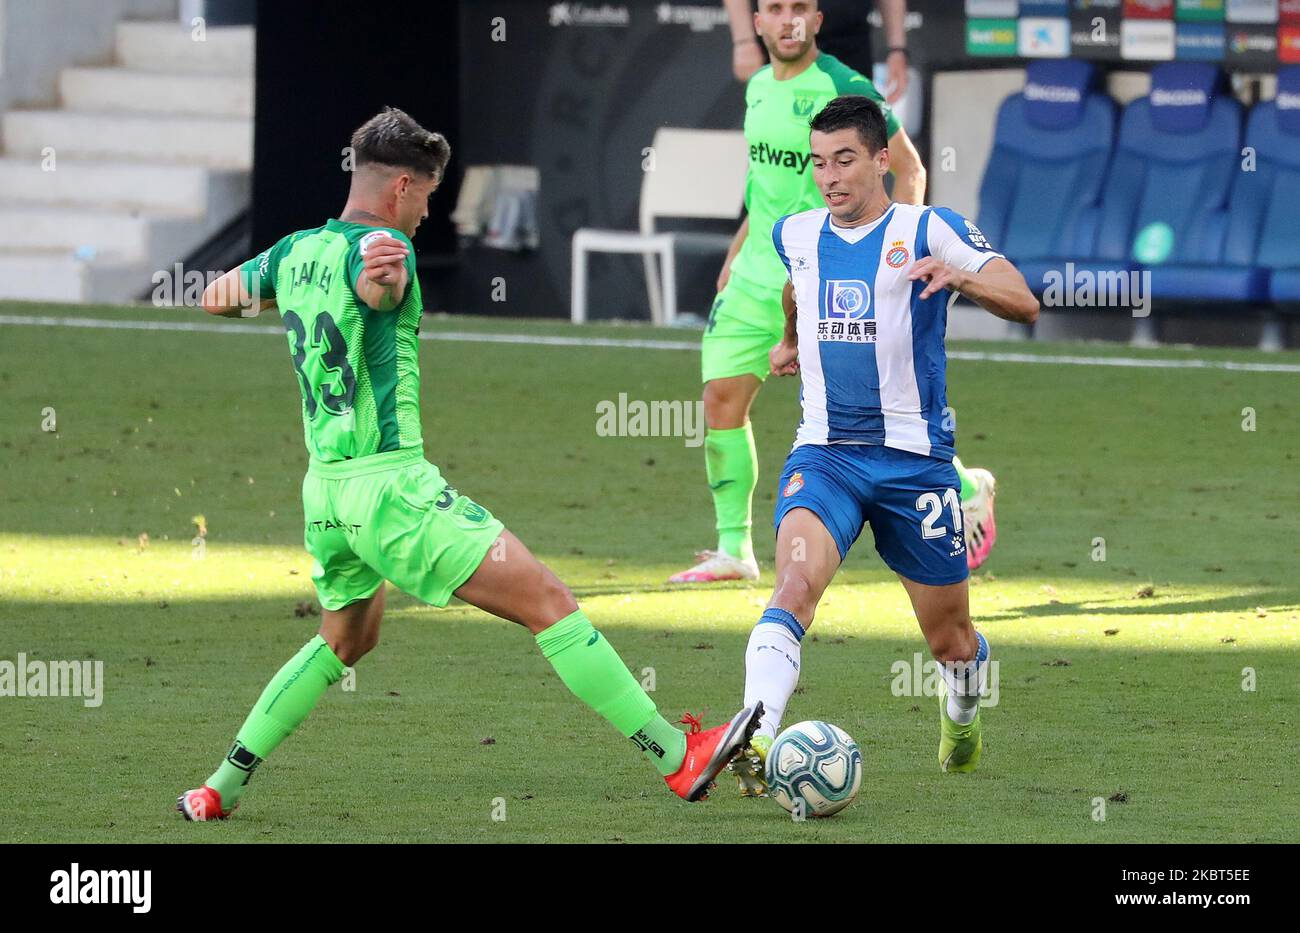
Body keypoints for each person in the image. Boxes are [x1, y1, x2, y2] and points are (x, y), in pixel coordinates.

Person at [178, 107, 762, 820]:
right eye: (427, 193)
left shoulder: (294, 251)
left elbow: (214, 297)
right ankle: (678, 756)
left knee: (347, 638)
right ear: (399, 187)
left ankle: (219, 786)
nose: (431, 210)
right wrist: (374, 285)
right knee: (549, 601)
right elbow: (379, 289)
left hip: (326, 493)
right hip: (392, 487)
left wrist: (300, 298)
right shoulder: (387, 247)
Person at [728, 95, 1038, 795]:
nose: (830, 177)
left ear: (880, 159)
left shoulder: (929, 228)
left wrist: (959, 276)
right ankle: (756, 729)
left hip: (914, 466)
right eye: (818, 163)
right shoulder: (797, 233)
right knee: (793, 585)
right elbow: (796, 288)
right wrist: (785, 339)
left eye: (844, 160)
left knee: (951, 643)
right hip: (826, 455)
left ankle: (962, 707)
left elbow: (1023, 298)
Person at [725, 0, 910, 104]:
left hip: (850, 45)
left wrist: (896, 48)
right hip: (784, 45)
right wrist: (744, 41)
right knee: (778, 147)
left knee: (854, 146)